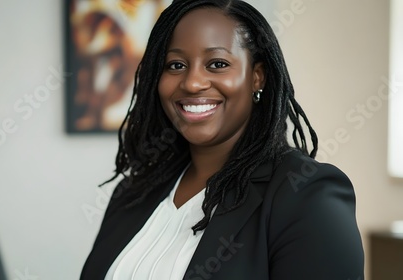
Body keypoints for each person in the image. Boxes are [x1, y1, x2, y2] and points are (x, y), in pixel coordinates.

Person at [80, 0, 365, 279]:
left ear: (257, 77)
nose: (192, 83)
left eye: (217, 63)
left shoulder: (306, 194)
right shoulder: (134, 191)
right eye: (176, 65)